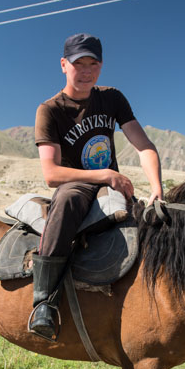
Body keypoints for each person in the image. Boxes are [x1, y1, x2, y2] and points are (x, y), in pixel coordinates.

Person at [30, 32, 163, 340]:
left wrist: (156, 186)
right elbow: (51, 173)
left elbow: (143, 145)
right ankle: (43, 301)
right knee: (68, 203)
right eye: (79, 63)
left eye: (94, 63)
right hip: (76, 182)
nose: (87, 70)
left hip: (110, 185)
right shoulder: (50, 110)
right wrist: (104, 174)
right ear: (64, 65)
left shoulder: (111, 98)